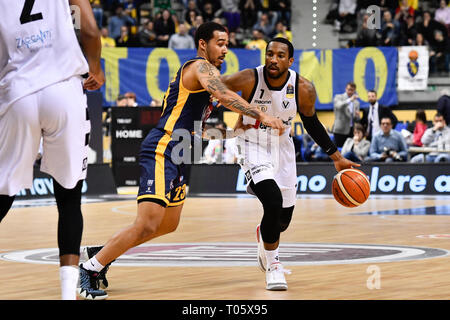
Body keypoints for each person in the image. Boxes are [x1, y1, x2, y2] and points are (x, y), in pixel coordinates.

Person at [77, 22, 285, 299]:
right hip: (164, 146)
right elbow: (225, 94)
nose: (225, 48)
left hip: (182, 151)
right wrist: (262, 115)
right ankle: (90, 269)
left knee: (168, 224)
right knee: (148, 222)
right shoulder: (199, 67)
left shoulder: (209, 74)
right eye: (220, 43)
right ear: (203, 44)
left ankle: (101, 252)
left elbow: (216, 101)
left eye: (227, 43)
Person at [220, 38, 358, 290]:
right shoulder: (249, 78)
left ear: (290, 60)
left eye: (280, 55)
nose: (273, 59)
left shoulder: (303, 88)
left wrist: (336, 157)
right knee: (271, 201)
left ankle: (265, 233)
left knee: (282, 219)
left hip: (282, 145)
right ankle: (274, 266)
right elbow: (216, 86)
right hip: (250, 142)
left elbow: (312, 122)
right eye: (269, 54)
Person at [0, 0, 104, 300]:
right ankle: (66, 296)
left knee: (4, 194)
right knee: (70, 197)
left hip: (18, 91)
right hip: (63, 89)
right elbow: (91, 31)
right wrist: (95, 68)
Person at [331, 82, 360, 148]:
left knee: (349, 150)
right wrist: (349, 100)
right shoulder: (338, 97)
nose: (350, 91)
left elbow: (356, 119)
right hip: (340, 130)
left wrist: (357, 116)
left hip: (351, 130)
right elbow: (338, 106)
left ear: (354, 90)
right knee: (339, 151)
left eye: (352, 90)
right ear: (345, 89)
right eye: (349, 89)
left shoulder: (356, 102)